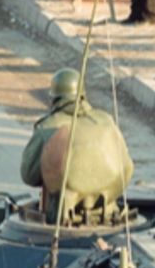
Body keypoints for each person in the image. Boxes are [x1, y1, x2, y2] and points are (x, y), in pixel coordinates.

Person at [20, 68, 134, 224]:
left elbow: (29, 175)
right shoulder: (106, 121)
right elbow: (127, 167)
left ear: (54, 99)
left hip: (63, 219)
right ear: (83, 95)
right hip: (110, 215)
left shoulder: (48, 127)